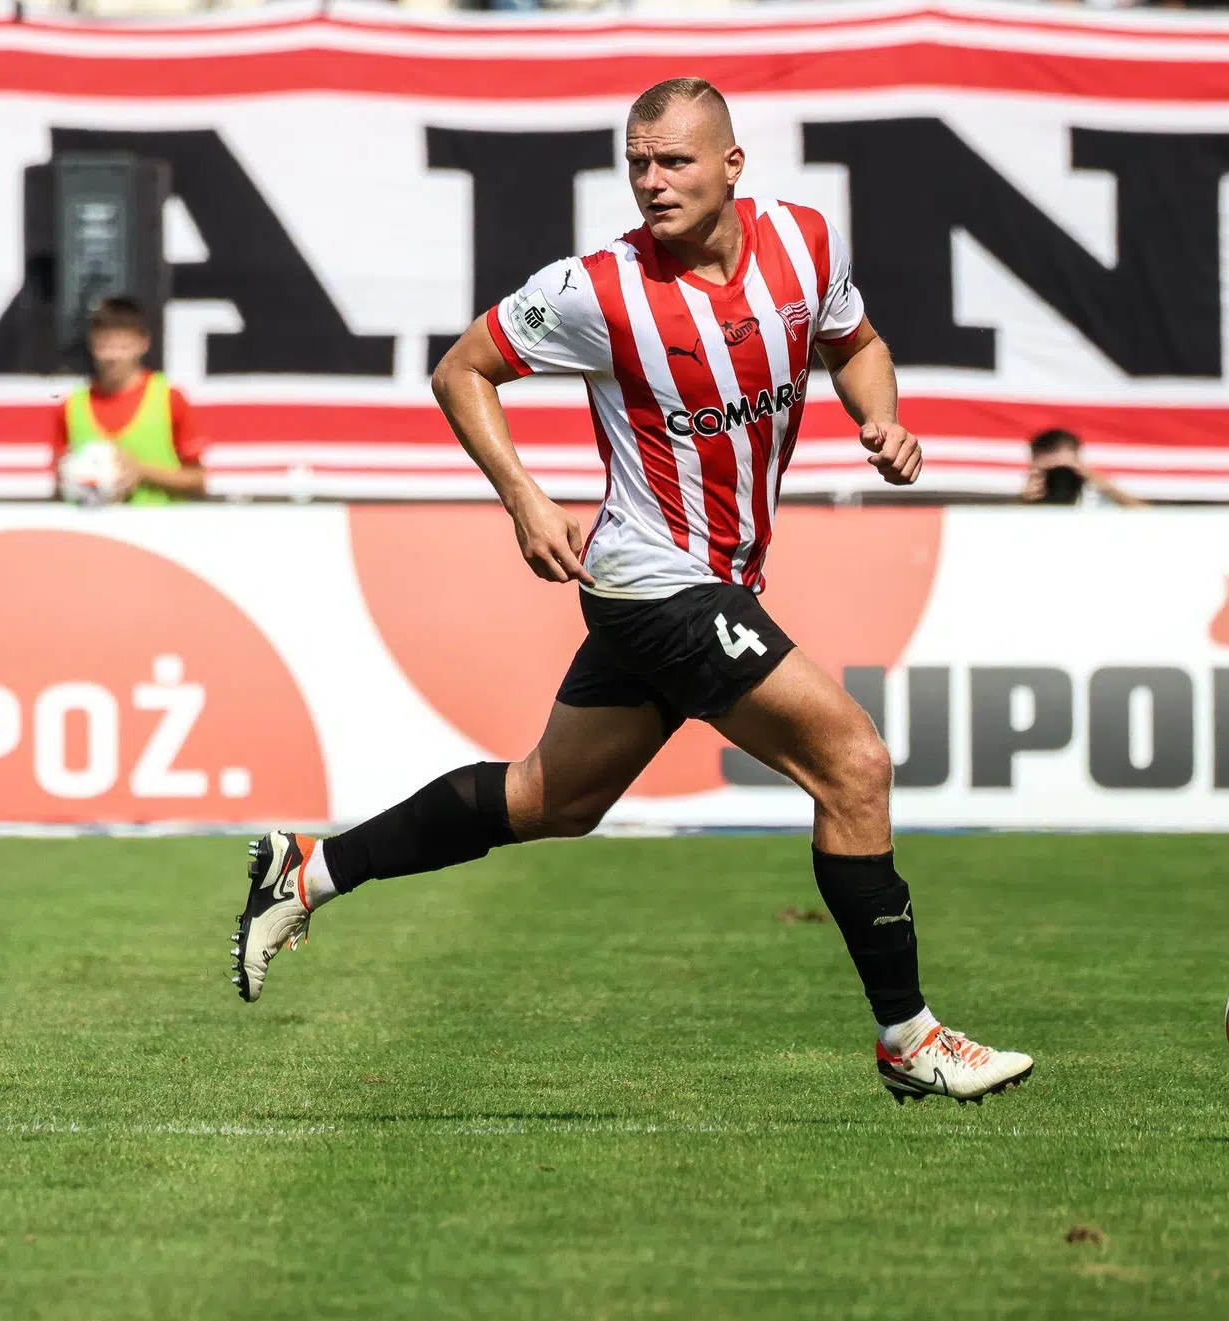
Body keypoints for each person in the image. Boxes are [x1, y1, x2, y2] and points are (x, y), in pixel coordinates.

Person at [228, 78, 1032, 1107]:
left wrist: (881, 422)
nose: (651, 182)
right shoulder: (595, 288)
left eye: (675, 162)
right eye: (637, 164)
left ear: (731, 167)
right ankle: (907, 1038)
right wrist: (523, 496)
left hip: (698, 582)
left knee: (550, 800)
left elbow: (856, 346)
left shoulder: (806, 244)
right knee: (853, 764)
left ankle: (305, 873)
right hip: (656, 586)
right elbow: (460, 370)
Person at [49, 296, 208, 504]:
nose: (112, 357)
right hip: (93, 532)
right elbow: (58, 486)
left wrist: (141, 471)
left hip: (159, 530)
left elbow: (199, 481)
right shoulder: (72, 406)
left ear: (143, 344)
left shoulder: (169, 399)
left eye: (122, 347)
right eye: (104, 346)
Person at [1020, 428, 1144, 507]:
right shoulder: (1032, 490)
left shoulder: (1096, 490)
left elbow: (1150, 519)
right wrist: (1027, 503)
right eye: (1051, 471)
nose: (1060, 477)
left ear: (1078, 462)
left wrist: (1108, 489)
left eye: (1065, 469)